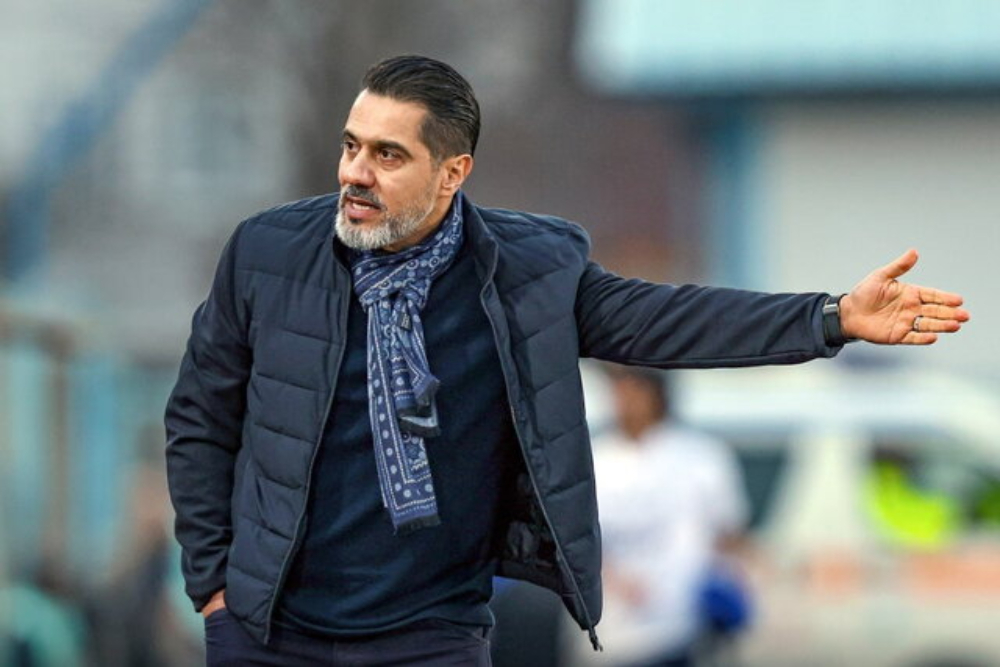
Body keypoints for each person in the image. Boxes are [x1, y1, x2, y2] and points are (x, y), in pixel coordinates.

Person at [164, 54, 969, 666]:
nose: (355, 174)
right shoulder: (268, 254)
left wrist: (831, 317)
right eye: (350, 146)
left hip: (430, 635)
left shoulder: (528, 272)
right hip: (271, 632)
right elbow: (200, 417)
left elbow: (667, 320)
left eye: (387, 154)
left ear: (452, 174)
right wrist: (214, 589)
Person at [578, 366, 750, 667]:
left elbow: (728, 533)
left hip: (682, 626)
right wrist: (612, 578)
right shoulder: (592, 458)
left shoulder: (699, 456)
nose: (624, 399)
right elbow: (578, 541)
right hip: (610, 629)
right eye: (618, 389)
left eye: (635, 389)